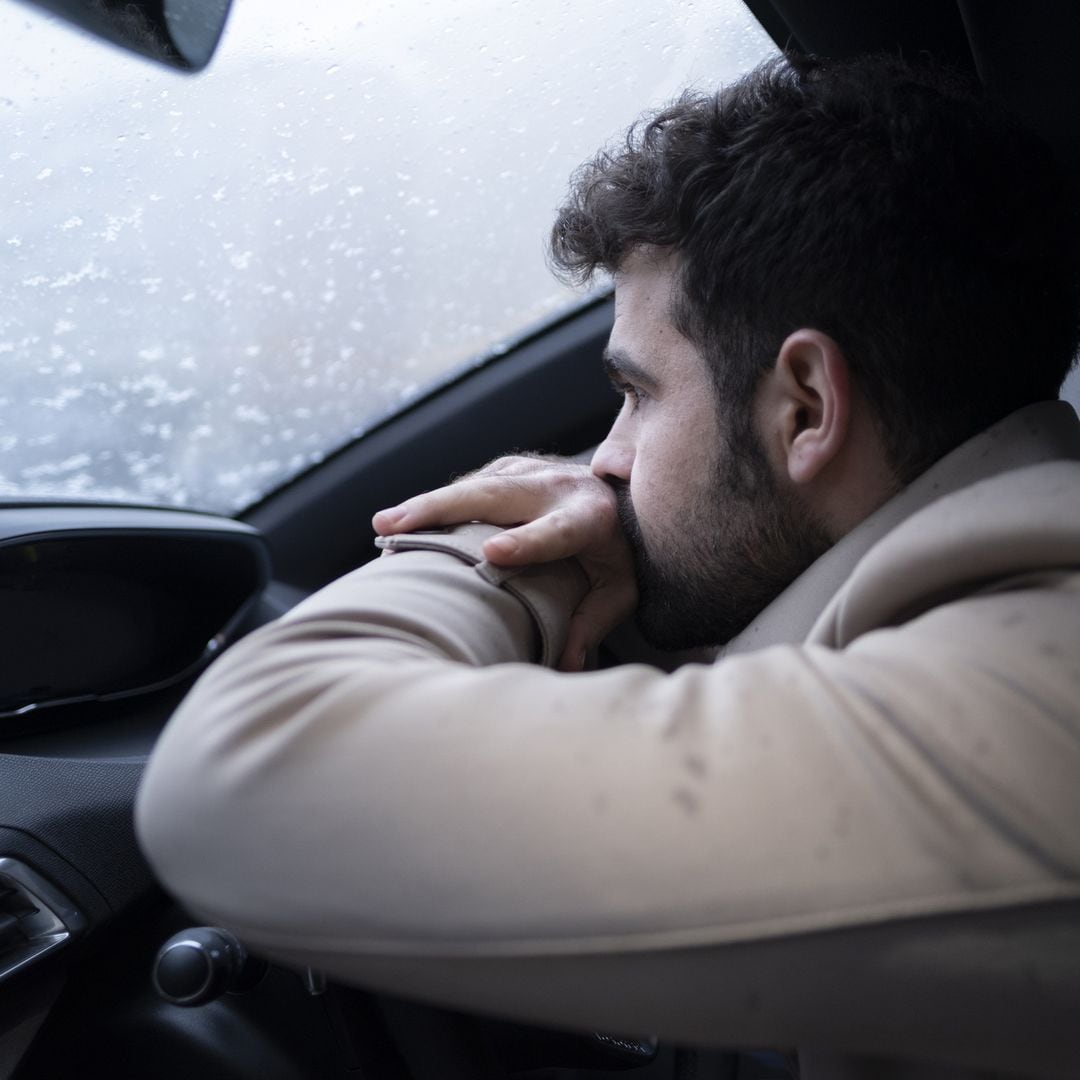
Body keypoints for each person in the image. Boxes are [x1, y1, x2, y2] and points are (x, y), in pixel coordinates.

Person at [136, 54, 1080, 1079]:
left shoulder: (1035, 696)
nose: (604, 463)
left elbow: (241, 785)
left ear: (805, 407)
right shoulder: (978, 626)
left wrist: (494, 549)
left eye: (637, 396)